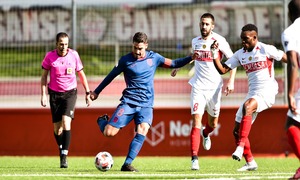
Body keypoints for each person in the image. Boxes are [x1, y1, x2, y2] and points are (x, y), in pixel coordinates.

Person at [90, 32, 195, 172]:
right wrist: (96, 92)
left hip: (146, 104)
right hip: (128, 102)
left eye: (140, 48)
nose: (137, 52)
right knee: (109, 133)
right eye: (135, 48)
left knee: (143, 129)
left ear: (146, 45)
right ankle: (102, 120)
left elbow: (174, 63)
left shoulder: (155, 58)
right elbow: (110, 76)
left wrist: (191, 58)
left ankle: (127, 164)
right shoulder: (125, 60)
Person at [211, 24, 287, 171]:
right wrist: (214, 53)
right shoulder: (240, 54)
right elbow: (222, 69)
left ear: (255, 38)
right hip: (253, 94)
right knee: (236, 131)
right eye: (241, 39)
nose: (243, 42)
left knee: (248, 106)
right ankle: (250, 162)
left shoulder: (266, 49)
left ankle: (240, 147)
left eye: (246, 39)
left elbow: (286, 58)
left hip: (268, 91)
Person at [171, 13, 237, 170]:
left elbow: (233, 60)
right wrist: (179, 67)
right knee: (196, 121)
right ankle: (194, 158)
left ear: (212, 26)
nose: (204, 26)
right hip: (198, 88)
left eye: (207, 24)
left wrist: (231, 80)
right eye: (202, 23)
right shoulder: (195, 41)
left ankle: (206, 134)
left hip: (214, 89)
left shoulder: (219, 41)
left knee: (213, 124)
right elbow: (194, 57)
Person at [40, 32, 91, 168]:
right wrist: (43, 94)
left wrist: (87, 92)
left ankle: (64, 155)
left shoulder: (74, 55)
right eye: (61, 44)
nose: (64, 47)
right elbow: (44, 76)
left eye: (66, 44)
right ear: (56, 44)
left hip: (70, 93)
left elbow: (81, 74)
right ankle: (61, 146)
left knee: (66, 121)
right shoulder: (50, 57)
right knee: (57, 129)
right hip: (55, 95)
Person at [281, 0, 300, 179]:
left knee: (292, 124)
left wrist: (290, 93)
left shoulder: (291, 31)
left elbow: (293, 63)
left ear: (289, 13)